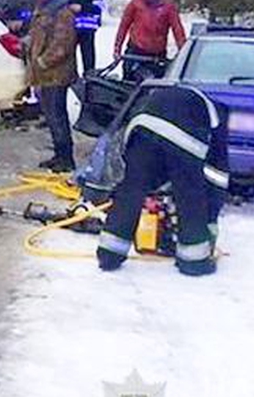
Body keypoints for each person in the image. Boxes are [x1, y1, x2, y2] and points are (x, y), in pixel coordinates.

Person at [97, 83, 230, 277]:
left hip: (141, 126)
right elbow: (218, 176)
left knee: (131, 190)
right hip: (181, 135)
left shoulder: (195, 101)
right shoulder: (217, 118)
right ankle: (194, 261)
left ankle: (109, 254)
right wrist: (210, 220)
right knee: (190, 195)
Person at [27, 0, 78, 172]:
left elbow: (63, 44)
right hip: (44, 75)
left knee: (57, 116)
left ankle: (66, 159)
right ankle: (59, 154)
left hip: (57, 74)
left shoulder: (62, 13)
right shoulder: (42, 10)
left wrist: (42, 61)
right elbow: (36, 35)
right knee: (50, 116)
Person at [114, 0, 187, 81]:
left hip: (157, 53)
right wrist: (117, 48)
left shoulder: (168, 7)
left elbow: (178, 31)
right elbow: (124, 25)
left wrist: (183, 52)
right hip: (136, 50)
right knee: (129, 78)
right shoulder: (136, 2)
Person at [67, 0, 104, 73]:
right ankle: (73, 76)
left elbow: (99, 7)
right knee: (70, 55)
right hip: (72, 27)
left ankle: (89, 75)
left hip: (88, 27)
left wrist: (82, 7)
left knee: (88, 54)